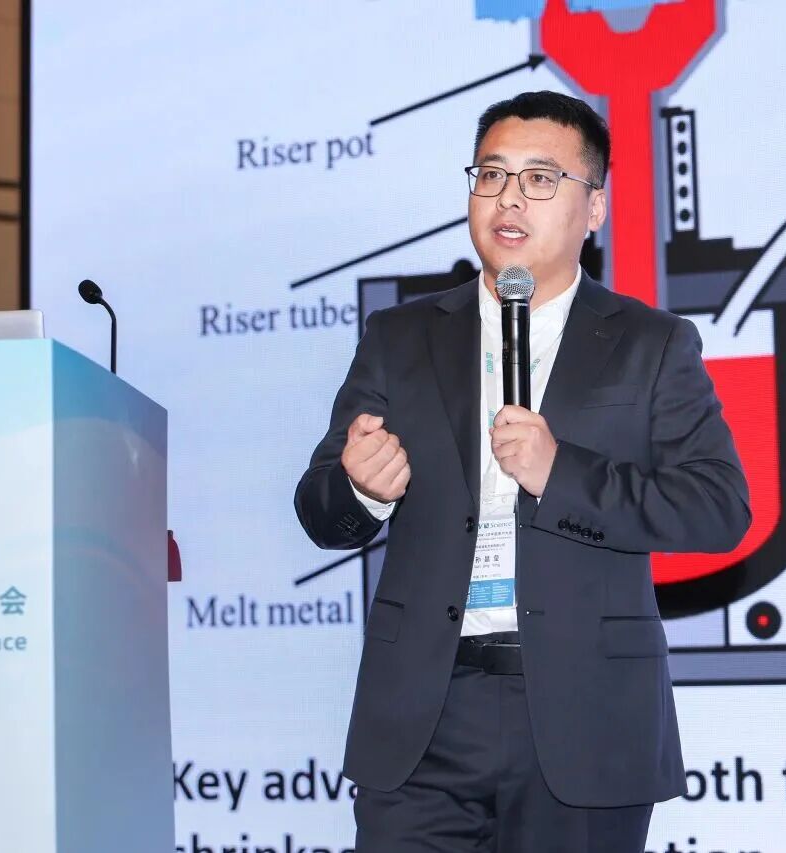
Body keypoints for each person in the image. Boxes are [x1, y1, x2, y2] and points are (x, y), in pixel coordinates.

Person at [294, 90, 750, 852]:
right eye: (491, 174)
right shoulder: (400, 337)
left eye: (540, 178)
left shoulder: (651, 344)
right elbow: (319, 510)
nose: (508, 197)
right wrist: (361, 489)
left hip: (586, 718)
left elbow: (717, 507)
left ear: (594, 206)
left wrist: (560, 472)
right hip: (423, 721)